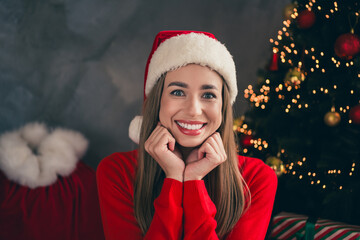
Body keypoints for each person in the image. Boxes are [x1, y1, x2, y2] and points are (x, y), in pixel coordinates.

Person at [96, 30, 277, 240]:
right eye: (178, 92)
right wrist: (174, 178)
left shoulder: (255, 178)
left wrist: (193, 181)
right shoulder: (117, 172)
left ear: (223, 108)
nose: (193, 110)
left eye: (208, 95)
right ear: (157, 102)